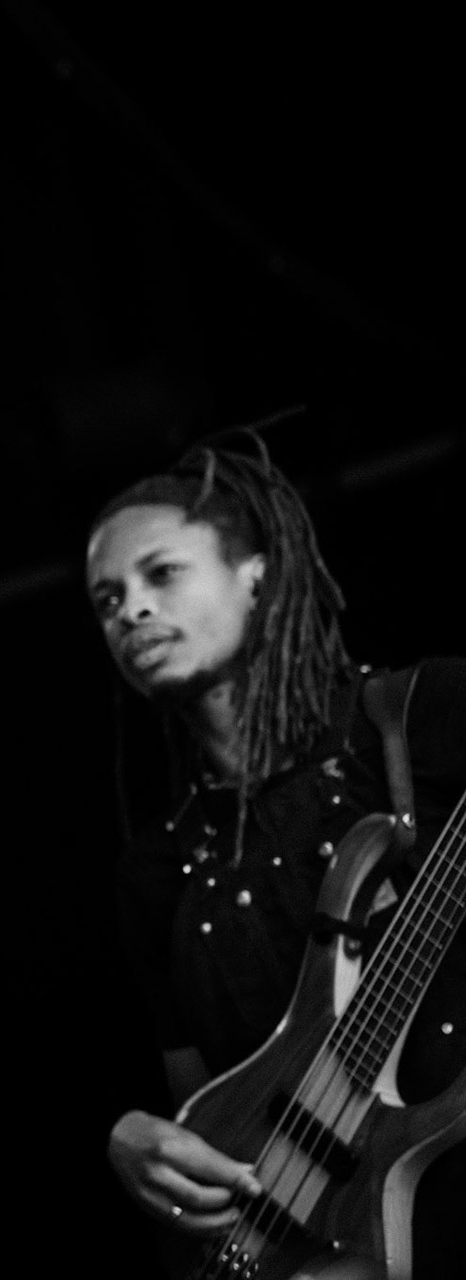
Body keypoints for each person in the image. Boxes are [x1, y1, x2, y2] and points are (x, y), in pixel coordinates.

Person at [85, 432, 466, 1275]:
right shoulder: (158, 868)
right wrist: (137, 1144)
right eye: (107, 600)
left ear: (256, 572)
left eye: (162, 573)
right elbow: (205, 1115)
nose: (132, 611)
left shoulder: (417, 720)